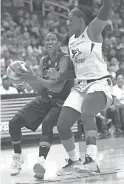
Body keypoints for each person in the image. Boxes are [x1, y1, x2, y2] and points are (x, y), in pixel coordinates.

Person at [48, 1, 113, 175]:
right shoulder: (71, 41)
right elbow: (75, 71)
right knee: (62, 125)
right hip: (81, 86)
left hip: (99, 83)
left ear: (81, 20)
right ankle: (74, 160)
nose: (67, 22)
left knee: (87, 113)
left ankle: (91, 160)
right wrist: (59, 75)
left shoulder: (91, 31)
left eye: (70, 19)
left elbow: (106, 11)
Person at [9, 32, 74, 178]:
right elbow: (40, 89)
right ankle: (18, 157)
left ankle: (41, 162)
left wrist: (33, 77)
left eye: (53, 39)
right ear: (44, 44)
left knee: (47, 124)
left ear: (58, 43)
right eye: (47, 39)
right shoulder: (43, 60)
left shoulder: (65, 59)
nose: (49, 41)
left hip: (60, 102)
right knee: (14, 123)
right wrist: (26, 78)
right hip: (44, 99)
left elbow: (57, 87)